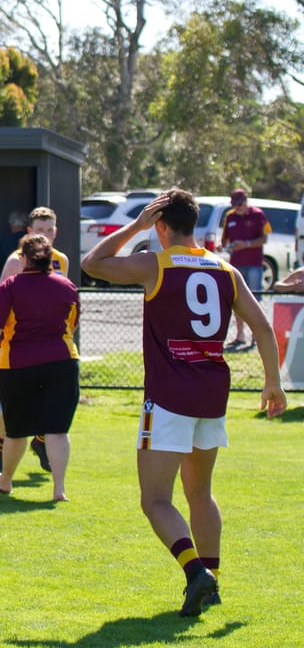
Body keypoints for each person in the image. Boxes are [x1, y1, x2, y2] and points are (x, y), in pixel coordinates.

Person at [81, 188, 286, 616]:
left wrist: (134, 227)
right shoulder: (225, 269)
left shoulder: (156, 263)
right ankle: (211, 583)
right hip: (211, 394)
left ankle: (197, 574)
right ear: (196, 224)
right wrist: (273, 383)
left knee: (155, 499)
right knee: (200, 493)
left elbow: (91, 263)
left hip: (170, 395)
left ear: (160, 224)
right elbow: (263, 328)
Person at [0, 234, 79, 502]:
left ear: (23, 258)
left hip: (19, 363)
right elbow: (72, 322)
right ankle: (59, 490)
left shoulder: (11, 285)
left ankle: (5, 480)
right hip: (63, 361)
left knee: (16, 429)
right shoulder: (67, 285)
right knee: (57, 429)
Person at [0, 206, 71, 475]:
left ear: (56, 231)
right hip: (16, 343)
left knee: (51, 402)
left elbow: (65, 302)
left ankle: (40, 441)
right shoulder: (16, 260)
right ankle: (4, 448)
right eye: (40, 230)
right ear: (29, 232)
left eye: (50, 230)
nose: (45, 236)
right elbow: (1, 303)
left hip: (51, 344)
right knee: (13, 405)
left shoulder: (61, 261)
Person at [220, 188, 270, 350]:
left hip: (254, 264)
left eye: (239, 204)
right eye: (234, 204)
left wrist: (246, 244)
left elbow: (264, 238)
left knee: (255, 299)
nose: (237, 207)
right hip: (236, 264)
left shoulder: (258, 215)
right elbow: (225, 240)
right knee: (237, 300)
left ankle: (256, 336)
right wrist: (224, 247)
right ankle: (240, 335)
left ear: (245, 201)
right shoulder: (230, 217)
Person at [0, 210, 28, 286]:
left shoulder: (4, 242)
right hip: (29, 283)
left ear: (12, 225)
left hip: (8, 286)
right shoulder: (32, 241)